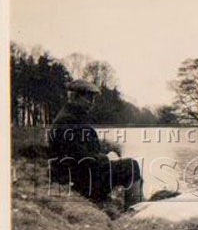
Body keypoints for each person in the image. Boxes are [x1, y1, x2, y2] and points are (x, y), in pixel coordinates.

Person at [49, 79, 143, 207]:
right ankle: (135, 210)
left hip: (76, 174)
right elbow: (81, 158)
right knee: (131, 166)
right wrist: (105, 158)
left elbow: (83, 148)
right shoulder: (68, 120)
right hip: (81, 180)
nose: (92, 104)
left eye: (93, 99)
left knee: (126, 167)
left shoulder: (71, 117)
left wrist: (106, 150)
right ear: (76, 97)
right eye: (89, 99)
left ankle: (136, 203)